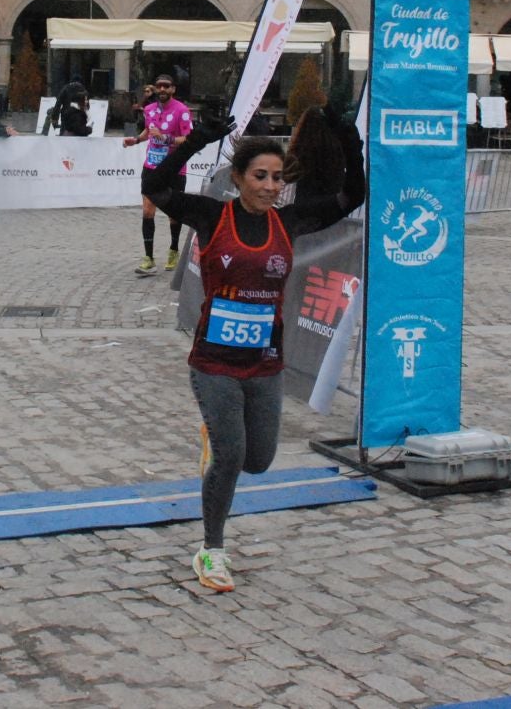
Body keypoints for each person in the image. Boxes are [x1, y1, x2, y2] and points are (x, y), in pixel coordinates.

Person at [143, 105, 364, 594]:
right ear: (239, 178)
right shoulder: (211, 215)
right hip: (214, 363)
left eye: (277, 178)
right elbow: (155, 188)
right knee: (230, 455)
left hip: (265, 364)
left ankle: (220, 444)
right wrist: (195, 140)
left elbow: (354, 195)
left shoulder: (291, 221)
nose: (269, 186)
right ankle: (212, 550)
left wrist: (350, 140)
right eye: (259, 176)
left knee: (259, 460)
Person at [123, 75, 193, 273]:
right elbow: (148, 131)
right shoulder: (148, 109)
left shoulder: (182, 111)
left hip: (174, 168)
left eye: (166, 86)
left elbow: (188, 139)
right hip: (152, 167)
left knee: (174, 213)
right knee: (147, 210)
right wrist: (135, 140)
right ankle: (148, 257)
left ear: (173, 89)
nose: (162, 89)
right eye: (159, 86)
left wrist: (166, 138)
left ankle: (173, 249)